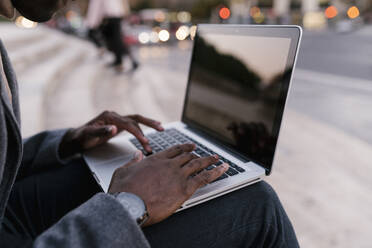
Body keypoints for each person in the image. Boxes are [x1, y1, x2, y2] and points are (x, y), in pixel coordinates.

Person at [0, 0, 300, 247]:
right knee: (259, 206)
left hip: (10, 205)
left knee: (98, 163)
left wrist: (68, 141)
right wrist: (130, 204)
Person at [85, 0, 138, 72]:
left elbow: (96, 6)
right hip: (115, 15)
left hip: (110, 17)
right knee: (114, 40)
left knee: (116, 41)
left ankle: (128, 61)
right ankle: (119, 61)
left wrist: (91, 23)